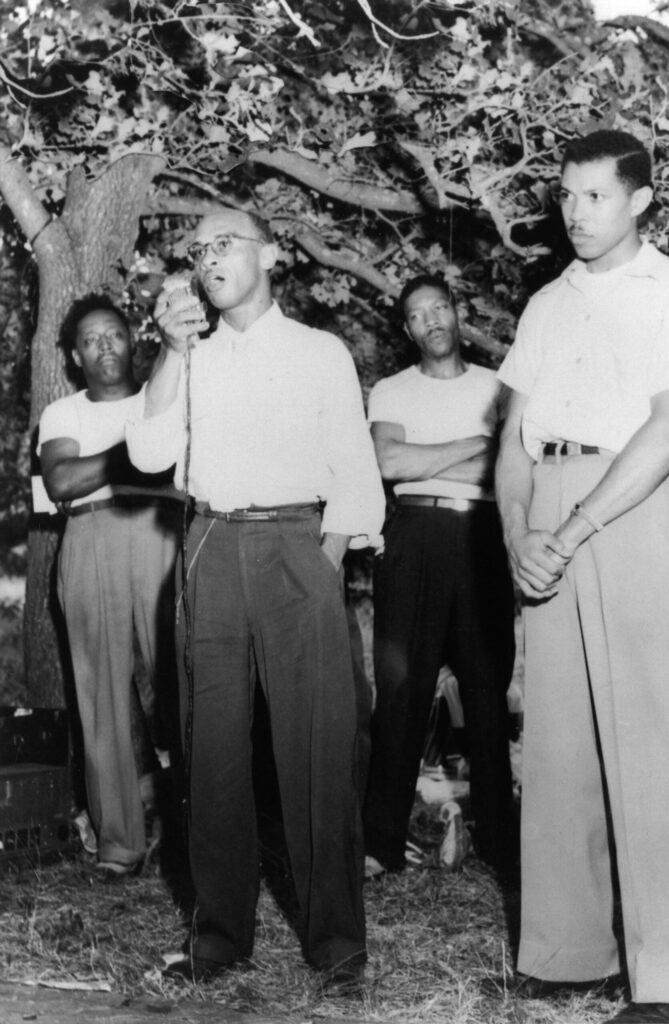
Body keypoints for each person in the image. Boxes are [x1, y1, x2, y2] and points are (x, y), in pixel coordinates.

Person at [494, 130, 669, 1024]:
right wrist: (521, 532)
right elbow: (511, 438)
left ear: (638, 199)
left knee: (647, 737)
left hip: (626, 506)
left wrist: (577, 525)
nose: (574, 212)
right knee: (556, 742)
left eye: (593, 196)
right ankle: (566, 952)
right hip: (548, 505)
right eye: (566, 195)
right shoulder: (547, 301)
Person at [125, 208, 385, 992]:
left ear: (270, 255)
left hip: (297, 546)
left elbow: (353, 472)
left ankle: (337, 947)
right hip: (209, 544)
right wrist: (169, 353)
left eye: (225, 244)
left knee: (316, 750)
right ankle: (218, 940)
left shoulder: (319, 351)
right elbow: (147, 452)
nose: (209, 259)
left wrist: (322, 560)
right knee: (211, 752)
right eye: (198, 251)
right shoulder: (188, 355)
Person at [362, 274, 516, 878]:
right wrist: (472, 445)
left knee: (486, 692)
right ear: (408, 330)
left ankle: (502, 843)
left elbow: (504, 467)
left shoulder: (498, 386)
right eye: (417, 315)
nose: (431, 321)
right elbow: (387, 462)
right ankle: (380, 842)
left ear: (457, 313)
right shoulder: (392, 390)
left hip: (480, 537)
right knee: (402, 692)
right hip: (414, 537)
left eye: (440, 308)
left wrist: (443, 455)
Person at [37, 295, 182, 877]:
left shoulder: (164, 397)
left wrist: (119, 464)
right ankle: (120, 843)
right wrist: (133, 454)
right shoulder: (62, 413)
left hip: (159, 536)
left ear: (133, 340)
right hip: (89, 538)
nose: (105, 347)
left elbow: (181, 471)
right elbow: (64, 480)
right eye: (92, 340)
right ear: (75, 356)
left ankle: (198, 835)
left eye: (115, 335)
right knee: (100, 698)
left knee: (184, 686)